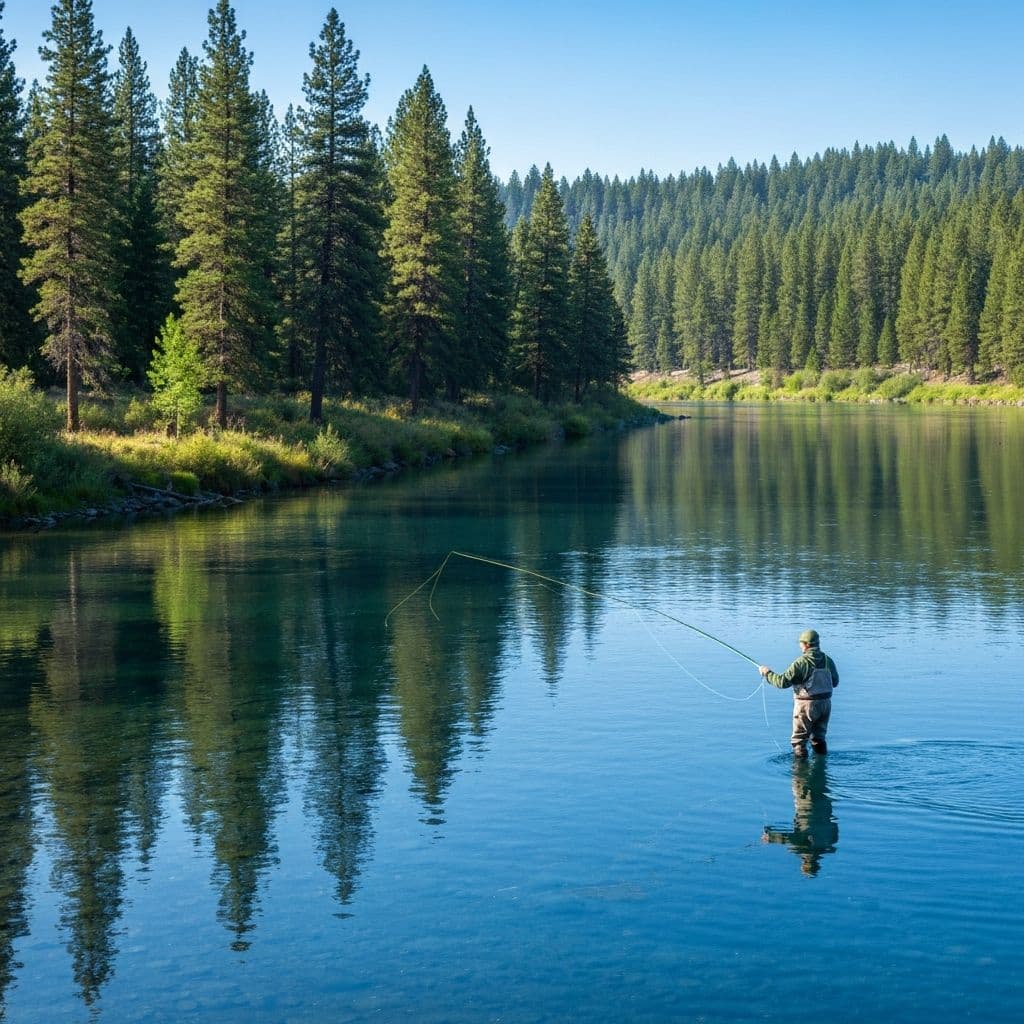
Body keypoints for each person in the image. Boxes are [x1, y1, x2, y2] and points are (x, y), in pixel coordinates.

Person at [758, 628, 838, 758]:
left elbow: (782, 682)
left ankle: (800, 773)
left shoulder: (801, 663)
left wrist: (767, 673)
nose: (800, 645)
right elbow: (835, 682)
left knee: (799, 741)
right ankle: (822, 765)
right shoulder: (828, 660)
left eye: (800, 643)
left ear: (806, 644)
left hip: (806, 706)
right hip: (825, 705)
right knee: (819, 738)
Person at [762, 757, 839, 876]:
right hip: (806, 802)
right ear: (806, 862)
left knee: (820, 775)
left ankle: (808, 754)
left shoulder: (830, 843)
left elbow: (835, 825)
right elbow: (788, 839)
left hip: (825, 803)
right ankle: (802, 756)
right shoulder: (808, 846)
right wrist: (770, 838)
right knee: (800, 775)